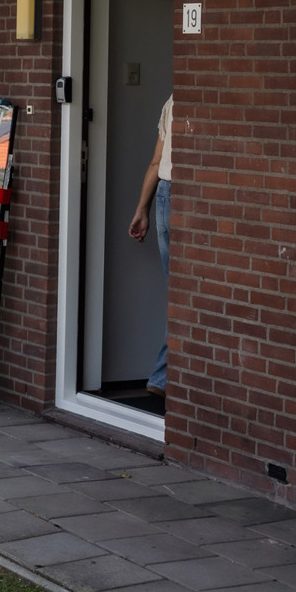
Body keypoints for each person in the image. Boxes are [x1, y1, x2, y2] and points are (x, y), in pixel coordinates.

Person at [127, 95, 174, 400]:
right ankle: (163, 377)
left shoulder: (172, 101)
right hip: (188, 194)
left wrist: (141, 209)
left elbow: (157, 162)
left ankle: (163, 378)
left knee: (177, 291)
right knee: (186, 295)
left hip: (165, 194)